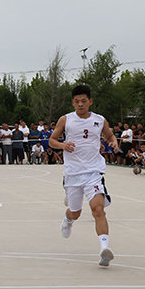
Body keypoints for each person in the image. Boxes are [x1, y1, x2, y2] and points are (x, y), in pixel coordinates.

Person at [51, 85, 119, 267]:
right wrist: (63, 145)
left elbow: (110, 136)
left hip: (93, 172)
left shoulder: (99, 120)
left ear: (90, 101)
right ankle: (68, 220)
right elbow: (52, 140)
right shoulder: (66, 119)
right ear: (72, 103)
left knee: (98, 209)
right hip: (73, 173)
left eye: (83, 101)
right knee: (76, 212)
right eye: (77, 101)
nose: (80, 104)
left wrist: (114, 142)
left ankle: (104, 250)